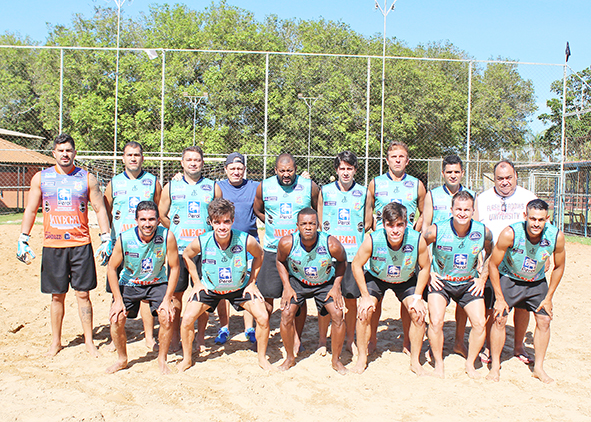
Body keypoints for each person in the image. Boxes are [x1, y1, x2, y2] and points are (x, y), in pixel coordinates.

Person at [17, 133, 111, 357]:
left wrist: (106, 237)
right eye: (60, 151)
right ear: (54, 153)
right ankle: (56, 342)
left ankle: (89, 341)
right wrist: (23, 237)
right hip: (53, 245)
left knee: (83, 295)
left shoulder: (87, 178)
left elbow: (99, 209)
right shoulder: (41, 178)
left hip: (81, 244)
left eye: (68, 150)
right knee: (57, 296)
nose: (65, 154)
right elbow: (31, 209)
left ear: (74, 153)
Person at [177, 198, 272, 371]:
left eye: (226, 221)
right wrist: (197, 282)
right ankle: (187, 359)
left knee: (263, 317)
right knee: (187, 319)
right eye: (217, 222)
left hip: (239, 288)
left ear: (232, 221)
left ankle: (262, 358)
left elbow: (260, 255)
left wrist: (251, 283)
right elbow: (186, 255)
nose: (222, 226)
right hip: (211, 288)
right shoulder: (202, 240)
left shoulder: (245, 240)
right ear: (211, 222)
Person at [486, 199, 565, 383]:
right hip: (509, 277)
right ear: (525, 217)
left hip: (536, 281)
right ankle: (495, 366)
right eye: (532, 219)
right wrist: (499, 297)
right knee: (499, 317)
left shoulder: (556, 236)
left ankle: (538, 368)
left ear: (547, 218)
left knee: (545, 319)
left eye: (540, 219)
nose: (536, 223)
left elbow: (559, 266)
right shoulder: (510, 233)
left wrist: (549, 297)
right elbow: (493, 264)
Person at [420, 191, 493, 378]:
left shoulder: (482, 231)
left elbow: (491, 253)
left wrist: (482, 277)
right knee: (436, 321)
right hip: (442, 282)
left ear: (473, 211)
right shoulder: (437, 229)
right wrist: (428, 272)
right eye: (458, 209)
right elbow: (420, 245)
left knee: (479, 324)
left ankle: (470, 364)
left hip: (468, 282)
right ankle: (438, 364)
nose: (462, 213)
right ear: (451, 210)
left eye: (466, 209)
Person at [351, 202, 429, 375]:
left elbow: (425, 267)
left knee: (418, 313)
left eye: (400, 225)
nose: (395, 230)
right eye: (390, 225)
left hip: (405, 278)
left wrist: (418, 297)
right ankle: (362, 358)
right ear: (383, 224)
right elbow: (356, 264)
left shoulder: (416, 239)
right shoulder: (373, 239)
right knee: (364, 311)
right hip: (378, 276)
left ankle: (415, 361)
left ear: (406, 224)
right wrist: (364, 296)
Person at [253, 153, 320, 353]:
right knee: (267, 296)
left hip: (300, 251)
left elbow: (317, 210)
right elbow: (257, 209)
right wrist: (270, 222)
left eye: (289, 170)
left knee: (297, 297)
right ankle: (262, 335)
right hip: (273, 250)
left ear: (295, 169)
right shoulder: (264, 186)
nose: (286, 174)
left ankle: (297, 339)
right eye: (282, 171)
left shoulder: (309, 186)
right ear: (275, 170)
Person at [159, 146, 222, 350]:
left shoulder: (213, 187)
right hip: (178, 251)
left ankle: (201, 338)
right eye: (189, 160)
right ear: (182, 162)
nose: (193, 163)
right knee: (176, 294)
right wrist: (176, 229)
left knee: (203, 293)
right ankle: (176, 336)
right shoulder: (171, 186)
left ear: (202, 163)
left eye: (197, 160)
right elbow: (162, 214)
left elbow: (220, 216)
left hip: (205, 251)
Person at [475, 159, 538, 365]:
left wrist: (543, 259)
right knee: (490, 305)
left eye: (508, 178)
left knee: (522, 307)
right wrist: (478, 258)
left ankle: (518, 346)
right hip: (492, 262)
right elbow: (476, 230)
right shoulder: (482, 199)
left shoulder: (528, 197)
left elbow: (541, 227)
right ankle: (487, 345)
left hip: (521, 263)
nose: (504, 182)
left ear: (516, 176)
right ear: (493, 179)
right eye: (500, 178)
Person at [367, 140, 427, 354]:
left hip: (406, 247)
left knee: (406, 298)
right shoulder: (375, 183)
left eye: (402, 156)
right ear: (387, 160)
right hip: (384, 246)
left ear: (407, 160)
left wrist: (416, 231)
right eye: (394, 157)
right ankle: (372, 340)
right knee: (376, 297)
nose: (398, 160)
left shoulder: (416, 184)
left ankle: (406, 342)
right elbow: (369, 209)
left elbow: (423, 210)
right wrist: (373, 229)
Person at [105, 201, 179, 375]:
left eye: (152, 219)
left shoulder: (167, 236)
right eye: (143, 219)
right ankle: (122, 359)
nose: (147, 223)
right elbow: (111, 267)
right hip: (129, 283)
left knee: (167, 316)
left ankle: (162, 360)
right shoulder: (125, 238)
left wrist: (168, 299)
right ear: (136, 220)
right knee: (116, 318)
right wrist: (117, 300)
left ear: (158, 220)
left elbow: (175, 267)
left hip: (156, 282)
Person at [103, 141, 162, 350]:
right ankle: (115, 337)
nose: (133, 158)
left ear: (142, 158)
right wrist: (107, 240)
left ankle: (149, 337)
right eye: (129, 155)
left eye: (137, 155)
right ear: (123, 158)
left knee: (146, 291)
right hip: (122, 245)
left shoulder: (153, 181)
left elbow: (158, 208)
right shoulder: (114, 183)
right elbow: (107, 210)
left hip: (146, 246)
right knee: (116, 291)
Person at [276, 207, 348, 373]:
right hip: (298, 281)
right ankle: (289, 358)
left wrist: (336, 287)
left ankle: (336, 361)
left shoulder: (331, 243)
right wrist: (287, 286)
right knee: (286, 313)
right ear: (297, 226)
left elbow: (343, 261)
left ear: (318, 225)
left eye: (312, 223)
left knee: (338, 313)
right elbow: (280, 261)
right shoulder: (287, 243)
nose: (308, 227)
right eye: (304, 224)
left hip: (324, 283)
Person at [317, 151, 372, 355]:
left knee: (350, 299)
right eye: (342, 168)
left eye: (350, 168)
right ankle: (323, 340)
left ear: (355, 170)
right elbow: (321, 221)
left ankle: (350, 340)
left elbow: (366, 222)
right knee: (325, 299)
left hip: (353, 256)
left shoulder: (363, 192)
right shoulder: (326, 191)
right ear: (336, 170)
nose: (346, 172)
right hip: (329, 256)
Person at [422, 155, 475, 358]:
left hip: (463, 264)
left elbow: (475, 229)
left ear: (462, 173)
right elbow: (426, 228)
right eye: (449, 172)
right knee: (435, 311)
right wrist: (428, 265)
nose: (453, 175)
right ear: (443, 173)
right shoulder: (432, 195)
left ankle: (459, 342)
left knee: (463, 305)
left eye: (457, 171)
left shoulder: (471, 195)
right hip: (439, 263)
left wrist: (477, 263)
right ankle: (433, 344)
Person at [216, 152, 260, 344]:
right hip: (223, 244)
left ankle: (249, 327)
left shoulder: (255, 187)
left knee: (248, 283)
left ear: (244, 169)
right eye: (232, 168)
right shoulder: (218, 187)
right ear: (225, 169)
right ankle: (224, 327)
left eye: (239, 168)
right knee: (222, 285)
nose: (236, 172)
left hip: (248, 244)